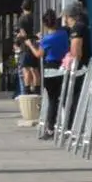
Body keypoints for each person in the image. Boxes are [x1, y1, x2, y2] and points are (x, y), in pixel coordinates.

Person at [24, 9, 70, 139]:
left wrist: (30, 45)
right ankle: (68, 126)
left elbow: (39, 54)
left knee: (53, 100)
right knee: (66, 98)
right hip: (63, 67)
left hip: (50, 71)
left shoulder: (46, 40)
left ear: (44, 25)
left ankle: (50, 129)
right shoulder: (63, 34)